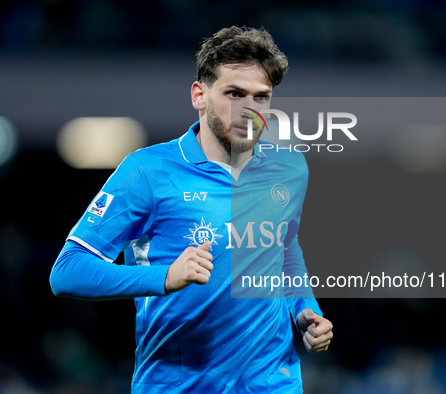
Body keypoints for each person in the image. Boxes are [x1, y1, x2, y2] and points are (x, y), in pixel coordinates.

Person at [50, 26, 333, 393]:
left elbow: (284, 246)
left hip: (273, 382)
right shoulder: (147, 172)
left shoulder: (290, 167)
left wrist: (304, 309)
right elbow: (67, 272)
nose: (250, 110)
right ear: (199, 95)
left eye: (261, 98)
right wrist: (164, 278)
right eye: (234, 94)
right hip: (178, 384)